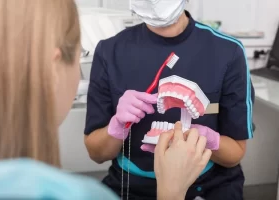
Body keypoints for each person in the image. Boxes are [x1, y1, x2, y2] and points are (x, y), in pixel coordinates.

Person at [0, 0, 211, 199]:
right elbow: (96, 151)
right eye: (80, 52)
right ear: (53, 69)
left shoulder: (225, 50)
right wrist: (171, 192)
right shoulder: (79, 194)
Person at [84, 0, 255, 199]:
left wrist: (207, 140)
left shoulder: (228, 51)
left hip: (208, 185)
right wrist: (117, 127)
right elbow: (97, 154)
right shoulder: (109, 51)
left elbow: (235, 153)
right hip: (130, 185)